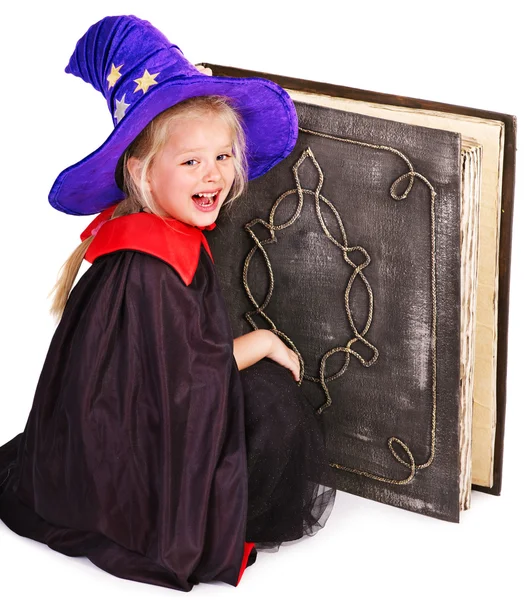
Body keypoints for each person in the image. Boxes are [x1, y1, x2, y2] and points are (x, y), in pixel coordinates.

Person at [0, 14, 335, 593]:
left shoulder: (164, 233)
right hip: (130, 441)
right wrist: (259, 342)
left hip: (138, 410)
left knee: (264, 397)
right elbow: (181, 379)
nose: (214, 176)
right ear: (141, 173)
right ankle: (202, 518)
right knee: (275, 407)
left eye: (224, 157)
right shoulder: (148, 264)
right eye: (190, 162)